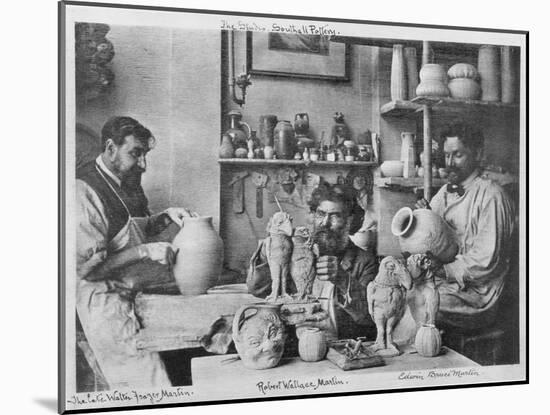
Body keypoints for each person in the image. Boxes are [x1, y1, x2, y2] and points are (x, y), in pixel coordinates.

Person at [76, 116, 195, 389]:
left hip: (135, 292)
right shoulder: (82, 190)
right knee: (149, 385)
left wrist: (165, 217)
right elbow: (87, 271)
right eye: (135, 153)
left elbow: (131, 231)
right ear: (110, 148)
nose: (142, 163)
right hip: (105, 302)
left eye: (144, 154)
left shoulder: (129, 182)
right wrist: (144, 251)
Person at [415, 122, 515, 330]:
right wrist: (422, 219)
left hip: (478, 295)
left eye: (457, 155)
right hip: (448, 284)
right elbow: (431, 241)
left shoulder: (492, 196)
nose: (449, 162)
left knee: (423, 301)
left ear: (477, 154)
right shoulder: (444, 192)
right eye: (446, 155)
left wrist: (443, 271)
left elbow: (484, 263)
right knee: (401, 292)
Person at [247, 184, 379, 339]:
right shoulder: (295, 252)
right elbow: (257, 289)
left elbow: (370, 317)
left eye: (335, 216)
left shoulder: (365, 261)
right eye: (320, 214)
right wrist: (267, 251)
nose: (325, 223)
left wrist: (343, 280)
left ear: (350, 220)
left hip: (340, 345)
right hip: (294, 345)